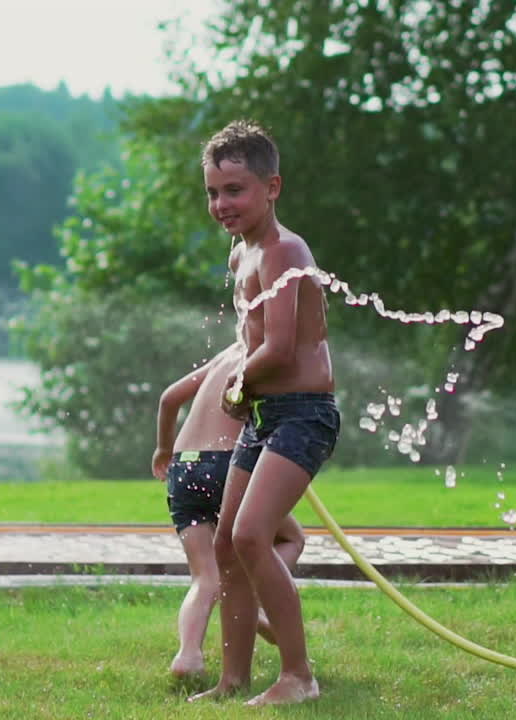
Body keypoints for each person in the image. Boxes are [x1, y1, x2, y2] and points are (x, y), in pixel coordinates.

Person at [190, 120, 339, 706]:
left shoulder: (285, 251)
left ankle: (299, 676)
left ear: (271, 187)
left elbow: (277, 349)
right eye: (212, 192)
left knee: (253, 536)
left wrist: (236, 383)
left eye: (235, 190)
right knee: (227, 543)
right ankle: (232, 681)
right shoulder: (241, 254)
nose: (221, 204)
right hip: (267, 415)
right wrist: (244, 389)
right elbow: (251, 342)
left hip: (304, 414)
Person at [152, 342, 307, 680]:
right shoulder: (265, 358)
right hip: (227, 463)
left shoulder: (226, 354)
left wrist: (164, 448)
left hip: (183, 468)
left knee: (205, 576)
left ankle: (188, 655)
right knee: (291, 538)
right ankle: (256, 602)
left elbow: (168, 399)